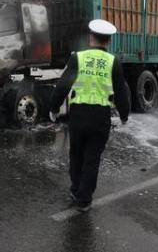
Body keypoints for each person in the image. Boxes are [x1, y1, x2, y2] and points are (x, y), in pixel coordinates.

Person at [50, 19, 130, 212]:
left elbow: (63, 85)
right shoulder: (113, 62)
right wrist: (124, 114)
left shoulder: (78, 58)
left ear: (90, 38)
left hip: (78, 115)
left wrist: (53, 107)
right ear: (109, 41)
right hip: (100, 117)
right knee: (92, 158)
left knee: (76, 154)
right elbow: (121, 92)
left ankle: (76, 189)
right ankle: (84, 200)